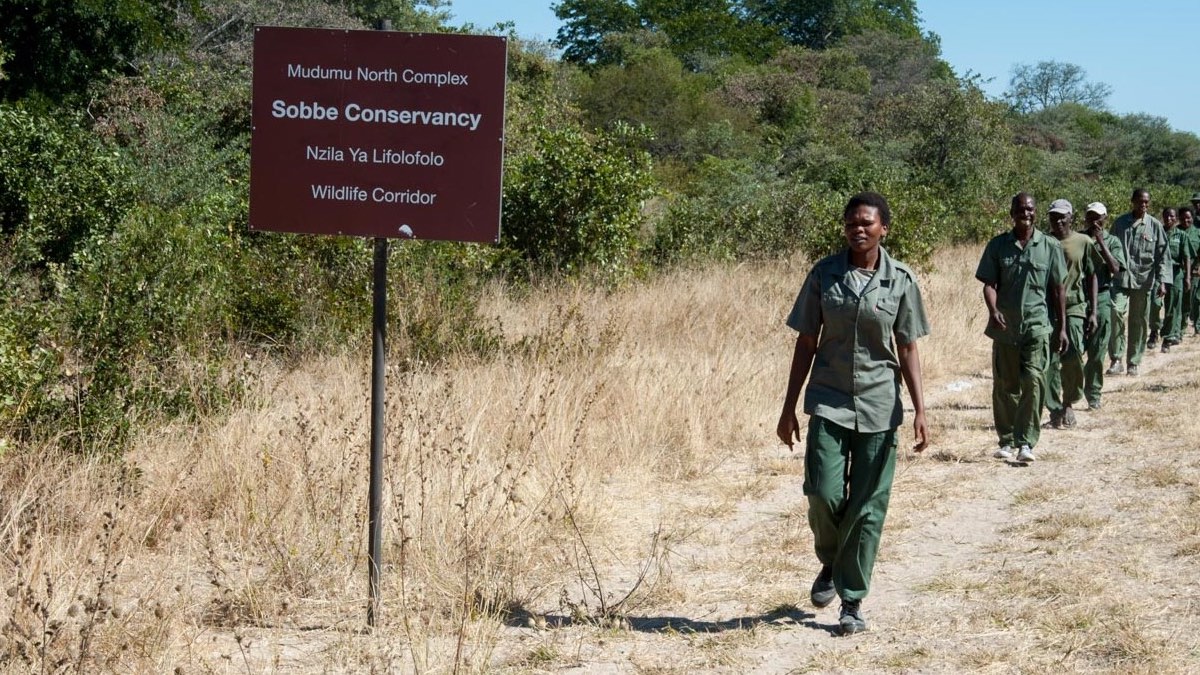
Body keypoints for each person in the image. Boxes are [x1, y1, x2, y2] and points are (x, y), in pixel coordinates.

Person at [776, 191, 929, 637]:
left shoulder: (901, 280)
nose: (857, 230)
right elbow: (805, 342)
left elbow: (908, 348)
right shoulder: (825, 275)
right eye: (850, 224)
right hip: (828, 400)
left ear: (884, 228)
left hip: (881, 407)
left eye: (866, 223)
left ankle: (852, 602)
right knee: (822, 493)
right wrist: (788, 409)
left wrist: (921, 409)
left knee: (867, 508)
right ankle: (832, 557)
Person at [976, 193, 1066, 463]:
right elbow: (989, 284)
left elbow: (1058, 289)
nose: (1025, 213)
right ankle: (1006, 440)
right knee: (1005, 384)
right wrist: (993, 311)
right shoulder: (998, 245)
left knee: (1034, 380)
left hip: (1037, 326)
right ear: (1012, 213)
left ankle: (1026, 442)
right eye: (1020, 209)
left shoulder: (1049, 246)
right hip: (1005, 328)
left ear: (1035, 212)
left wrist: (1061, 327)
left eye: (1030, 209)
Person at [1043, 199, 1095, 428]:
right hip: (1047, 307)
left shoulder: (1083, 242)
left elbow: (1093, 275)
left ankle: (1069, 401)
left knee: (1073, 354)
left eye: (1063, 216)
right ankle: (1054, 409)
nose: (1059, 221)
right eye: (1054, 217)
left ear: (1071, 217)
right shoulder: (1043, 242)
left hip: (1075, 306)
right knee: (1049, 360)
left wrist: (1093, 311)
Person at [1107, 188, 1168, 376]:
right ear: (1132, 201)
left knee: (1138, 321)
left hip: (1143, 280)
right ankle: (1116, 359)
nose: (1143, 205)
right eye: (1140, 201)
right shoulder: (1120, 224)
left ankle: (1133, 361)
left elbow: (1162, 255)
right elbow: (1109, 247)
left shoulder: (1155, 226)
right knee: (1116, 312)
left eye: (1146, 202)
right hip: (1120, 279)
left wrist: (1162, 281)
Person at [1080, 203, 1125, 411]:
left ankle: (1094, 393)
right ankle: (1071, 391)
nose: (1094, 221)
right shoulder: (1078, 238)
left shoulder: (1112, 241)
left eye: (1098, 217)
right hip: (1079, 298)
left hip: (1103, 296)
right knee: (1074, 351)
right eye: (1090, 216)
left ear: (1105, 218)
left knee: (1097, 352)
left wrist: (1100, 241)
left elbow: (1116, 268)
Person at [1161, 207, 1192, 351]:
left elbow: (1186, 257)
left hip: (1175, 272)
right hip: (1159, 272)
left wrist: (1187, 277)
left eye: (1172, 216)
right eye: (1166, 216)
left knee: (1173, 306)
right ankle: (1155, 331)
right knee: (1155, 305)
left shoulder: (1181, 236)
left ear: (1176, 218)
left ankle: (1168, 337)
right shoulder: (1158, 232)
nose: (1169, 219)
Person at [1185, 198, 1200, 335]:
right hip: (1193, 266)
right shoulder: (1191, 222)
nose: (1197, 205)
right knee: (1193, 297)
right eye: (1195, 203)